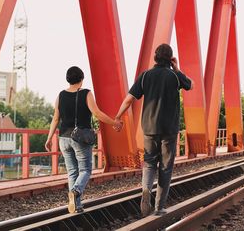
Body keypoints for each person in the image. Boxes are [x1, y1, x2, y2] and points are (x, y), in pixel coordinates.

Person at [115, 43, 193, 216]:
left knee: (149, 163)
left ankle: (146, 190)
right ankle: (159, 207)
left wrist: (118, 116)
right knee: (165, 167)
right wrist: (177, 68)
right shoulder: (174, 76)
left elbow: (129, 99)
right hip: (169, 130)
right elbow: (190, 85)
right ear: (170, 60)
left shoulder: (145, 76)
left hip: (149, 128)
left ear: (155, 58)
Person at [45, 66, 123, 213]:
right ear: (81, 79)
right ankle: (75, 191)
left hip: (63, 139)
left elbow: (55, 119)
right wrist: (115, 123)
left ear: (68, 79)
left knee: (72, 172)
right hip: (79, 138)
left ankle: (76, 206)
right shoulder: (86, 93)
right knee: (86, 170)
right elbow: (97, 113)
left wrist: (49, 138)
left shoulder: (60, 95)